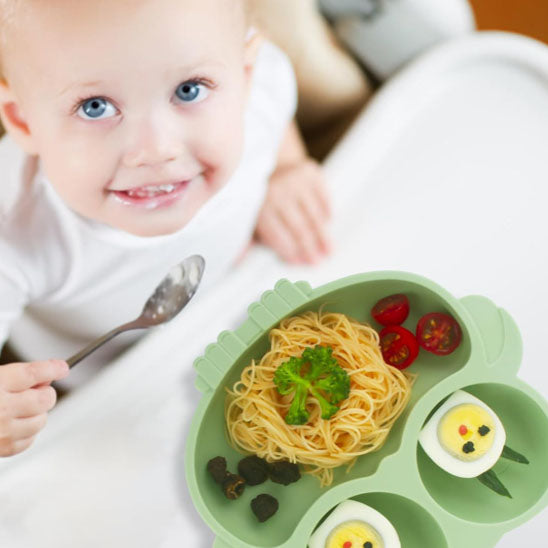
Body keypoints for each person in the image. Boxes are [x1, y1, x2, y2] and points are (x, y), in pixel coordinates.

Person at [0, 0, 332, 457]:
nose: (155, 150)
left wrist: (286, 168)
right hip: (106, 394)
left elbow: (271, 107)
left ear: (245, 75)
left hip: (243, 315)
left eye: (190, 90)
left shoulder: (261, 94)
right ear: (22, 121)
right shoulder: (13, 227)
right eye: (95, 107)